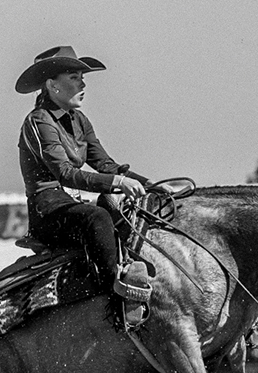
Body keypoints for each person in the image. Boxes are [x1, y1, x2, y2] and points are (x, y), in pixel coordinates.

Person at [15, 46, 155, 320]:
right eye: (74, 77)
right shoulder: (37, 122)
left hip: (71, 206)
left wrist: (150, 184)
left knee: (126, 211)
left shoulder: (79, 120)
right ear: (52, 85)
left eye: (82, 76)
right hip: (48, 211)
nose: (83, 83)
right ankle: (115, 297)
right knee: (98, 217)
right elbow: (65, 173)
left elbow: (105, 164)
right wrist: (117, 182)